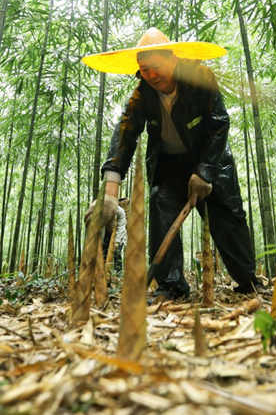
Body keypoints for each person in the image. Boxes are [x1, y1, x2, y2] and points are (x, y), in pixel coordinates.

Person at [82, 27, 258, 300]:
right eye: (144, 70)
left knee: (228, 218)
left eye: (155, 67)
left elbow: (219, 125)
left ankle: (249, 282)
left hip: (212, 162)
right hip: (169, 166)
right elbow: (124, 135)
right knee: (162, 204)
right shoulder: (142, 95)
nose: (150, 76)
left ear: (173, 61)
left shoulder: (200, 79)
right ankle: (171, 286)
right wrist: (109, 194)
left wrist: (205, 172)